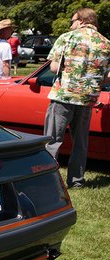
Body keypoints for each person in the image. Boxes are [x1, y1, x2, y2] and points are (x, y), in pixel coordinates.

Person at [43, 7, 110, 188]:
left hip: (64, 95)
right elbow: (107, 77)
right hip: (87, 99)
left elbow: (54, 68)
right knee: (81, 142)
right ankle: (77, 181)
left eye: (72, 21)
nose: (71, 25)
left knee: (52, 140)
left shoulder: (67, 38)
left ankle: (48, 180)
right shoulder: (106, 43)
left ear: (81, 20)